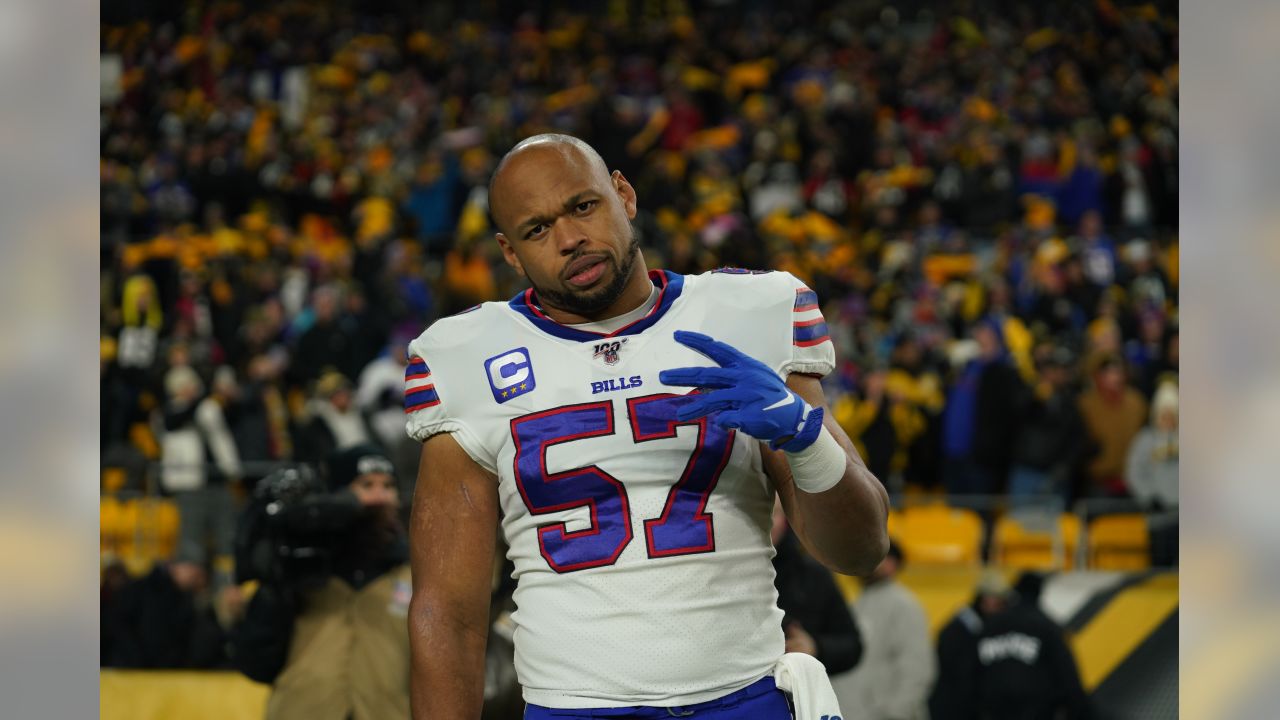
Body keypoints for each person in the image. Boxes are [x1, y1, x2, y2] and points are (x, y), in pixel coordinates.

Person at [405, 134, 889, 718]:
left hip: (744, 698)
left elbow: (861, 550)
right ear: (511, 253)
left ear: (623, 194)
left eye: (583, 206)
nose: (569, 239)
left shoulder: (750, 313)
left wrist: (805, 437)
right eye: (537, 229)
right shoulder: (462, 357)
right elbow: (447, 613)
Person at [230, 444, 411, 720]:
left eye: (388, 486)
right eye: (365, 485)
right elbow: (256, 664)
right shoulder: (301, 564)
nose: (380, 496)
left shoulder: (414, 570)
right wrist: (274, 591)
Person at [831, 543, 935, 720]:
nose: (864, 563)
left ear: (892, 564)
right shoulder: (856, 605)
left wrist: (895, 713)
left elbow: (918, 667)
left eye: (875, 558)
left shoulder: (904, 604)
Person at [971, 570, 1093, 719]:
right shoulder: (1047, 628)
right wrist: (1079, 711)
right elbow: (1068, 677)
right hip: (1038, 712)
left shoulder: (989, 626)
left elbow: (969, 674)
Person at [770, 499, 864, 676]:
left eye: (773, 512)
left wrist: (815, 646)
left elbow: (852, 645)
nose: (766, 521)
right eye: (758, 511)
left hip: (798, 697)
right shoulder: (722, 575)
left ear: (786, 519)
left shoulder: (813, 574)